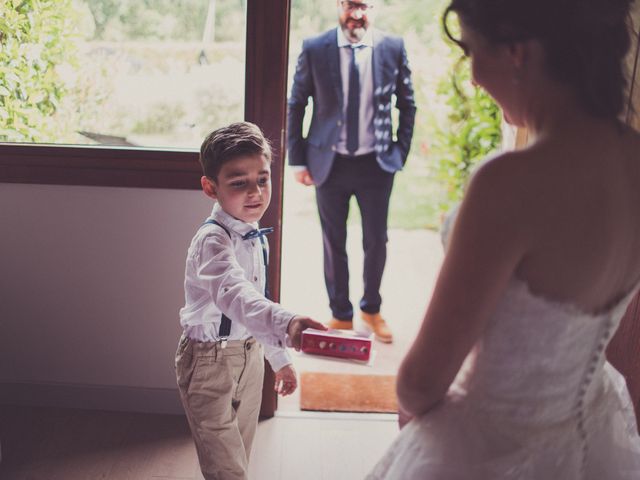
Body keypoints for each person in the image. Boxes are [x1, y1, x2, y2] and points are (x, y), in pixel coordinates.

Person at [368, 0, 640, 477]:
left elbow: (420, 383)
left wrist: (413, 416)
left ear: (516, 52)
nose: (472, 78)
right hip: (594, 439)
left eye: (472, 51)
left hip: (491, 451)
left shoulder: (511, 182)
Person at [175, 122, 325, 480]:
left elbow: (258, 302)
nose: (255, 192)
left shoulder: (256, 237)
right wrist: (288, 323)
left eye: (263, 178)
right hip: (210, 364)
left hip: (251, 356)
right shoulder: (213, 242)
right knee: (226, 469)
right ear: (211, 188)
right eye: (239, 182)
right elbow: (235, 296)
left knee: (240, 456)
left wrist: (279, 357)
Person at [287, 0, 416, 343]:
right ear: (339, 6)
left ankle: (371, 309)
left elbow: (407, 102)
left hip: (376, 164)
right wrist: (298, 159)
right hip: (330, 162)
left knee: (376, 240)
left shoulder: (392, 47)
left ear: (374, 8)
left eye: (364, 5)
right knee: (334, 240)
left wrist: (399, 151)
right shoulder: (315, 48)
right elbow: (297, 102)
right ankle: (341, 314)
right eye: (350, 4)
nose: (357, 13)